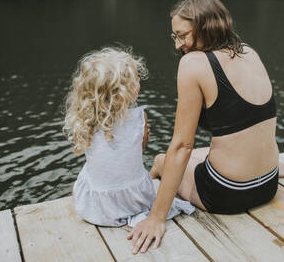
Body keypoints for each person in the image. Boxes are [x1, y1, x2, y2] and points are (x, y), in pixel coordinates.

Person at [128, 0, 284, 254]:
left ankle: (148, 191)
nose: (178, 45)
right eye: (174, 36)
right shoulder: (249, 52)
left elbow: (182, 146)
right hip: (269, 181)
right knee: (204, 153)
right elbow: (255, 123)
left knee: (162, 159)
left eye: (183, 35)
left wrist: (156, 219)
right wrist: (273, 168)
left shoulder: (193, 64)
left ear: (206, 28)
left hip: (228, 192)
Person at [63, 47, 194, 227]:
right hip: (134, 201)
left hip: (97, 210)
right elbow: (138, 151)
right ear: (125, 91)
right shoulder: (139, 118)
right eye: (136, 79)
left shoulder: (87, 119)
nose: (139, 80)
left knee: (83, 176)